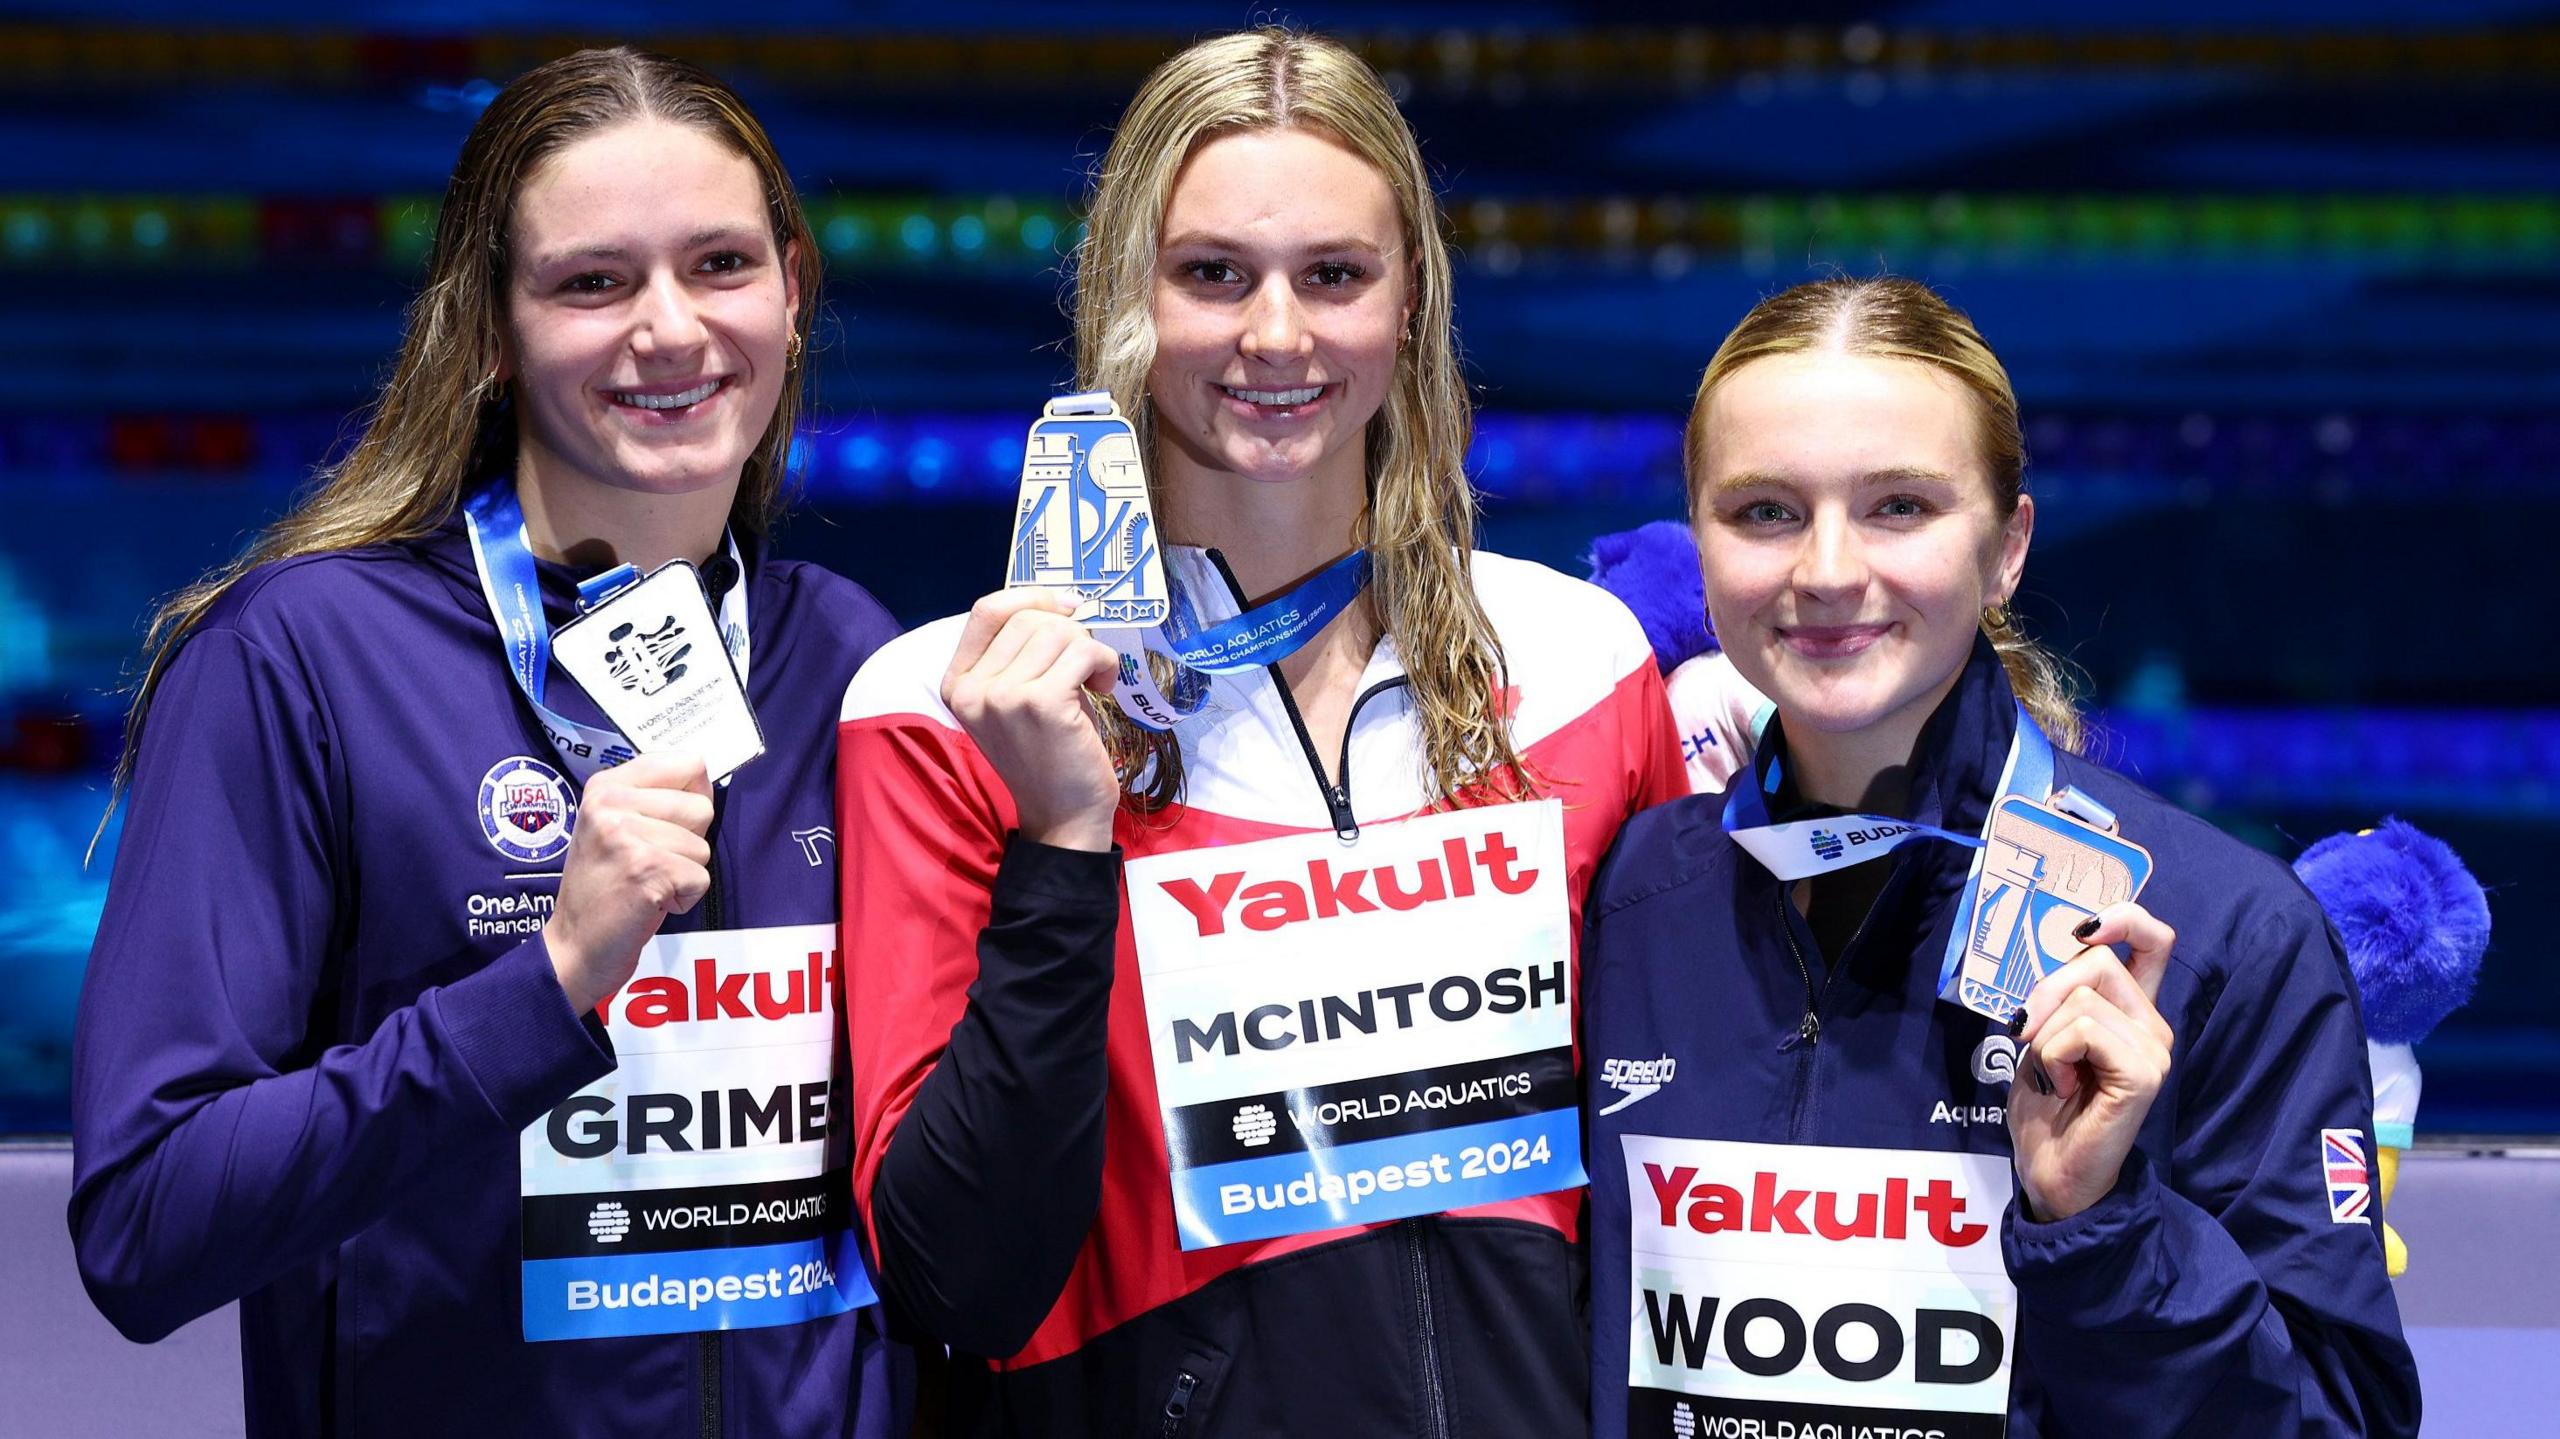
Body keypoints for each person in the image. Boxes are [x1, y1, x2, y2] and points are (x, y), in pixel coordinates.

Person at [836, 27, 1687, 1435]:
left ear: (1410, 298)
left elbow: (1670, 1128)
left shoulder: (1579, 663)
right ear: (1128, 297)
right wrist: (1062, 837)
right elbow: (956, 1282)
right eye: (1213, 275)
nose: (1277, 336)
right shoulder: (945, 712)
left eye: (1335, 276)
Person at [69, 48, 906, 1437]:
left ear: (793, 292)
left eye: (718, 263)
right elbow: (149, 1221)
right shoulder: (303, 659)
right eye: (593, 281)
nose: (670, 329)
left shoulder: (852, 656)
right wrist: (549, 981)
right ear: (495, 329)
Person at [1581, 276, 2420, 1436]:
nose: (1826, 568)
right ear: (1701, 538)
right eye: (1765, 510)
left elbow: (2338, 1421)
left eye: (1898, 507)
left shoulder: (2221, 933)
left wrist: (2103, 1222)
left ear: (2008, 545)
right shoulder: (1627, 902)